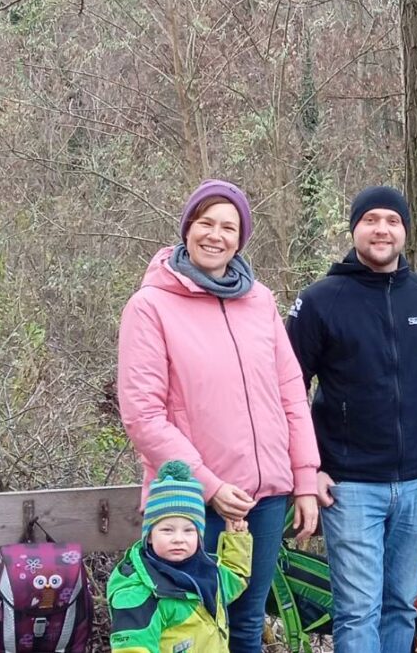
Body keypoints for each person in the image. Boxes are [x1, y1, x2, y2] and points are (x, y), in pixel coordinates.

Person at [117, 179, 320, 653]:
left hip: (264, 498)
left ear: (241, 238)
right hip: (187, 504)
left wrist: (304, 479)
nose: (216, 235)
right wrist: (208, 485)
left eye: (229, 227)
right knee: (186, 630)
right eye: (206, 222)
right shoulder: (150, 306)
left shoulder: (260, 301)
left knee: (247, 623)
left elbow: (291, 393)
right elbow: (143, 415)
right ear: (187, 228)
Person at [285, 185, 417, 653]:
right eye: (371, 220)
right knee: (359, 611)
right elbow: (288, 389)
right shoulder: (322, 300)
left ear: (405, 231)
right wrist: (310, 466)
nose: (382, 229)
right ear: (355, 228)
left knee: (401, 606)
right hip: (350, 484)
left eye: (393, 221)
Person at [108, 461, 252, 653]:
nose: (178, 539)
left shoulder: (206, 571)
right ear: (149, 536)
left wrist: (237, 540)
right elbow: (132, 648)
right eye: (167, 530)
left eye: (188, 530)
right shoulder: (137, 593)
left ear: (199, 536)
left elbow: (234, 579)